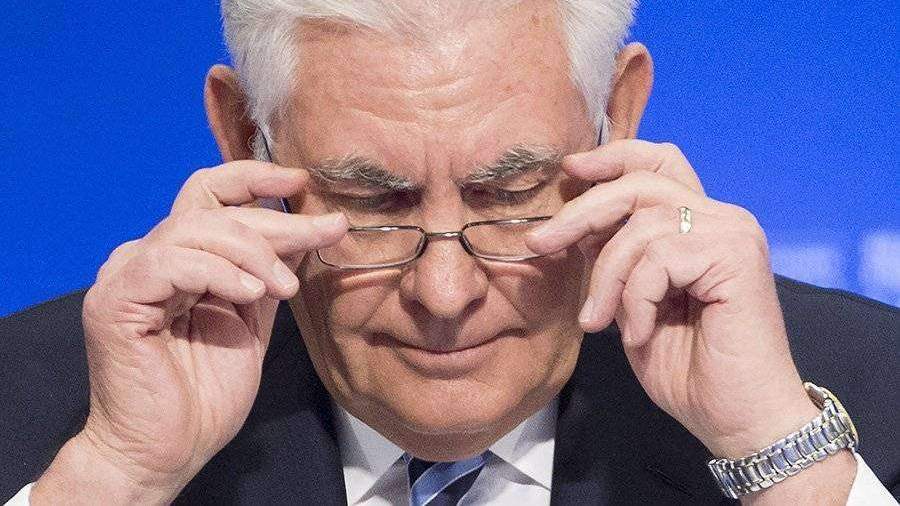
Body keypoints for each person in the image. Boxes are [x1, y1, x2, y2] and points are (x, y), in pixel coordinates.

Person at [1, 1, 897, 504]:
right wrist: (120, 476)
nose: (443, 290)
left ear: (617, 117)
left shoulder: (869, 395)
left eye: (510, 193)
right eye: (369, 200)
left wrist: (783, 462)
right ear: (244, 135)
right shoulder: (39, 419)